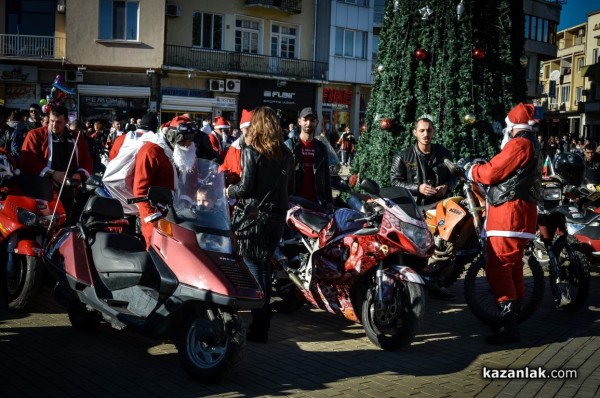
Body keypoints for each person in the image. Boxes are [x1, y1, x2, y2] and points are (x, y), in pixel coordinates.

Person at [467, 102, 542, 345]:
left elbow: (491, 173)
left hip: (509, 216)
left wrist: (472, 170)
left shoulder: (519, 144)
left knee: (499, 268)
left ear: (512, 127)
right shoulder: (534, 144)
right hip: (523, 215)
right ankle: (514, 319)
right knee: (514, 267)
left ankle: (508, 325)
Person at [225, 106, 294, 343]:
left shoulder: (252, 149)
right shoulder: (286, 152)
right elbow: (290, 188)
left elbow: (245, 187)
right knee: (264, 267)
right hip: (278, 215)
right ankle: (261, 324)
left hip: (253, 217)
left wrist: (228, 190)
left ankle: (261, 324)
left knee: (256, 269)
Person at [389, 116, 456, 300]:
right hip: (414, 209)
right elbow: (394, 181)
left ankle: (436, 280)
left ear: (433, 131)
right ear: (415, 132)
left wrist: (447, 187)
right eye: (422, 130)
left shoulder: (443, 153)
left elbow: (454, 175)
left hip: (439, 206)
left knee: (445, 244)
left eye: (429, 130)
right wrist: (417, 188)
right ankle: (415, 280)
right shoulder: (403, 156)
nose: (426, 134)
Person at [20, 105, 93, 225]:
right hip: (43, 192)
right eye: (51, 121)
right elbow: (26, 162)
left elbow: (87, 160)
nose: (54, 125)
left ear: (66, 122)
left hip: (69, 190)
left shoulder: (76, 137)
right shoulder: (35, 135)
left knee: (68, 224)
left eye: (58, 122)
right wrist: (52, 174)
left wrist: (79, 175)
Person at [133, 116, 198, 247]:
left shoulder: (187, 150)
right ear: (172, 137)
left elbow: (191, 179)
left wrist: (188, 202)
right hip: (156, 213)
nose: (187, 145)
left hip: (179, 213)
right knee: (157, 250)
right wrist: (153, 218)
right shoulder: (151, 151)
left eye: (190, 140)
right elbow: (140, 191)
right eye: (184, 141)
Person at [285, 107, 334, 213]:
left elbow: (326, 176)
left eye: (312, 120)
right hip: (294, 202)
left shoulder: (321, 147)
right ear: (299, 121)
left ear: (317, 122)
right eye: (305, 120)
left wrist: (329, 200)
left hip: (316, 202)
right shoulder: (290, 145)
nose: (308, 123)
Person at [218, 108, 253, 185]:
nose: (250, 132)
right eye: (247, 129)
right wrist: (224, 174)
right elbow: (225, 166)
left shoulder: (262, 147)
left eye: (252, 129)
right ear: (242, 130)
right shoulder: (235, 146)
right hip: (236, 191)